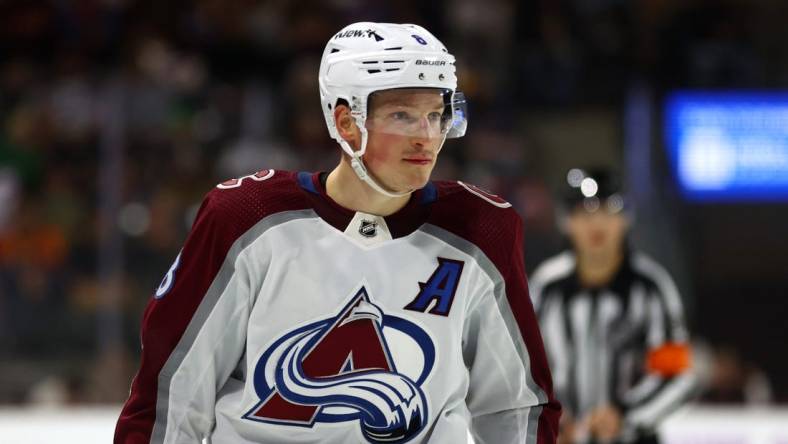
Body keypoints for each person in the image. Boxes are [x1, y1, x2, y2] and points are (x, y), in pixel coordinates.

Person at [115, 22, 560, 444]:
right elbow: (172, 394)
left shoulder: (481, 229)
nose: (426, 137)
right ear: (347, 123)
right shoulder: (247, 219)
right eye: (403, 115)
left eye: (436, 114)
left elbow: (516, 408)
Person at [529, 168, 696, 444]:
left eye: (608, 210)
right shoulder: (546, 288)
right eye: (584, 213)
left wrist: (624, 415)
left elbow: (675, 374)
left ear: (625, 219)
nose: (596, 224)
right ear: (567, 222)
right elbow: (521, 367)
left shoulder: (650, 287)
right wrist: (549, 415)